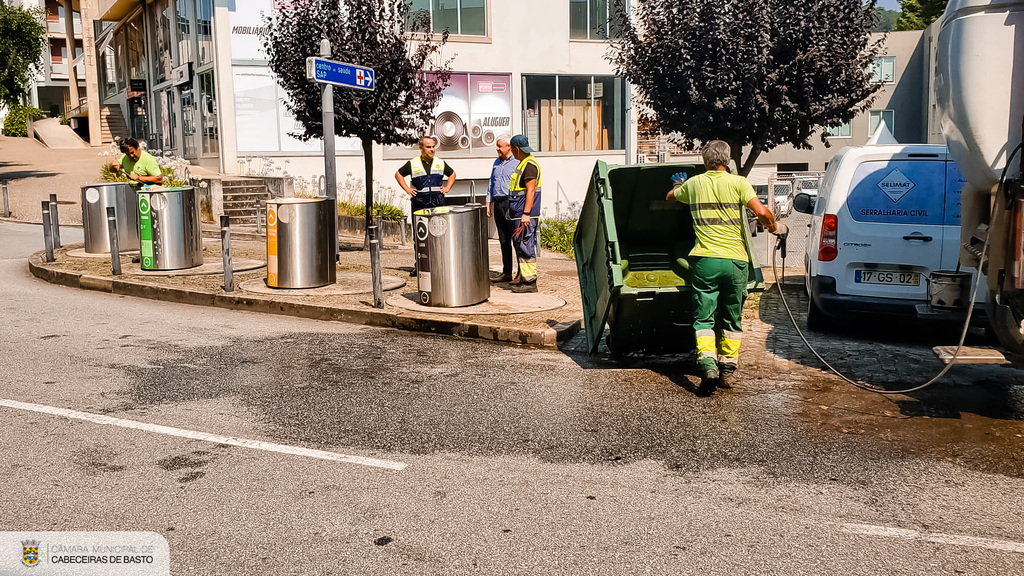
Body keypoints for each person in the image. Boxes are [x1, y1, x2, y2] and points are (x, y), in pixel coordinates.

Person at [666, 140, 786, 393]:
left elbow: (670, 199)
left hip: (705, 261)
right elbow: (762, 213)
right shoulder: (739, 183)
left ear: (705, 160)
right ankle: (727, 371)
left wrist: (677, 184)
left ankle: (708, 365)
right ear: (728, 160)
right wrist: (775, 228)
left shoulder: (694, 184)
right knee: (732, 318)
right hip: (735, 262)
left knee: (704, 319)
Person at [395, 136, 456, 276]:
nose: (432, 149)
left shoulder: (440, 162)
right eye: (429, 147)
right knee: (420, 237)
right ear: (421, 148)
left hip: (437, 205)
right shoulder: (413, 163)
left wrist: (447, 187)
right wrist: (407, 189)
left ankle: (439, 265)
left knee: (439, 235)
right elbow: (398, 174)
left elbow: (452, 174)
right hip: (420, 205)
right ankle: (420, 266)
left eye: (433, 146)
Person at [506, 134, 542, 293]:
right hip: (518, 213)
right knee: (520, 246)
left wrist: (526, 213)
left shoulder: (529, 165)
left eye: (512, 150)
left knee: (526, 247)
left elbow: (531, 190)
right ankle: (522, 277)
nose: (512, 153)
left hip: (525, 215)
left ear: (517, 149)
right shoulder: (523, 163)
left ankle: (529, 283)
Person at [486, 135, 518, 283]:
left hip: (511, 203)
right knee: (503, 240)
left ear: (508, 147)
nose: (497, 149)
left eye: (500, 146)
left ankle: (521, 273)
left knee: (516, 240)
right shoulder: (496, 163)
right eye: (497, 146)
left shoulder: (517, 162)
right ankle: (507, 272)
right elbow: (491, 183)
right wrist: (488, 202)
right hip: (498, 203)